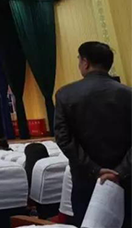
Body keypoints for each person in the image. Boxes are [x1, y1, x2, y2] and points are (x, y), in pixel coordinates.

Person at [55, 41, 132, 228]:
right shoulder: (128, 94)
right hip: (127, 181)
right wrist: (120, 171)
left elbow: (64, 139)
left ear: (85, 62)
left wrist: (95, 169)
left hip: (86, 180)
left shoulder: (65, 94)